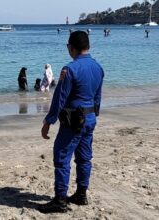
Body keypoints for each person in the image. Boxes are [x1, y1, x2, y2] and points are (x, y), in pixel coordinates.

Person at [39, 31, 104, 213]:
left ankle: (60, 200)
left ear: (71, 47)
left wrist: (48, 121)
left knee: (61, 158)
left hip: (73, 121)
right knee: (84, 158)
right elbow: (97, 97)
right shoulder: (98, 67)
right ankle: (81, 194)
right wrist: (94, 114)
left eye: (68, 47)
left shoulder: (70, 69)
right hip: (90, 118)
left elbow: (60, 98)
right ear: (88, 46)